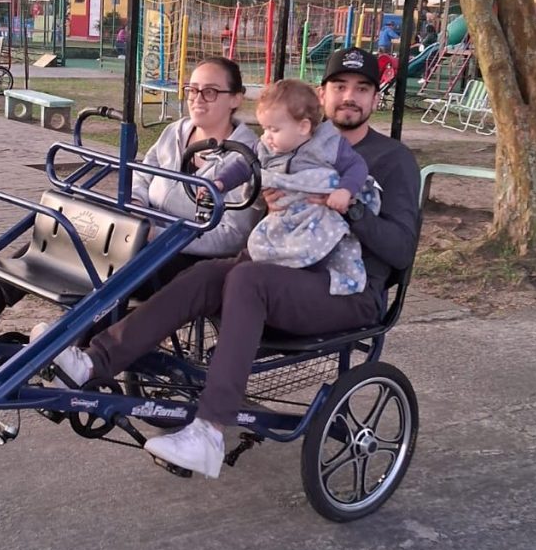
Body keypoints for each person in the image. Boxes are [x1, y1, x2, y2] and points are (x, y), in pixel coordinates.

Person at [38, 47, 420, 479]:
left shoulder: (392, 160)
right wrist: (262, 201)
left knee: (247, 279)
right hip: (285, 273)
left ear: (375, 99)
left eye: (362, 89)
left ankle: (209, 431)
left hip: (346, 288)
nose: (350, 97)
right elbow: (253, 191)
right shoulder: (289, 142)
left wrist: (347, 209)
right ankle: (94, 361)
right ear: (322, 95)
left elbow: (401, 251)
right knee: (205, 275)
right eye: (340, 87)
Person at [0, 57, 262, 324]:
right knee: (79, 215)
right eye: (192, 90)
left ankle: (75, 343)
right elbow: (141, 173)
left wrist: (163, 234)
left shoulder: (245, 159)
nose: (197, 99)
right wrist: (137, 201)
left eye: (209, 92)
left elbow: (233, 234)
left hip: (183, 254)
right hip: (143, 231)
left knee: (111, 248)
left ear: (235, 98)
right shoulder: (176, 132)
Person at [212, 79, 379, 296]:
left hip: (317, 213)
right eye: (264, 128)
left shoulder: (328, 145)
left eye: (274, 129)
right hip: (285, 214)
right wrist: (220, 183)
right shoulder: (266, 147)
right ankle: (282, 271)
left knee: (323, 243)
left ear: (303, 127)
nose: (266, 136)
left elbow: (357, 167)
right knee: (264, 244)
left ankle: (313, 272)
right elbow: (244, 165)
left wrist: (344, 191)